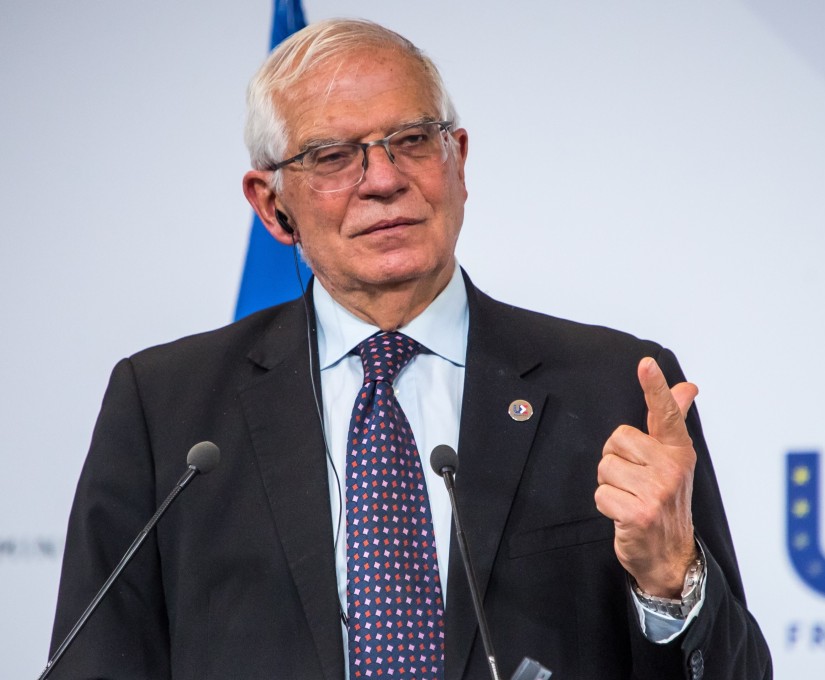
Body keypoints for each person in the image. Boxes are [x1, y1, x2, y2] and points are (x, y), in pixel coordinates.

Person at [49, 18, 771, 680]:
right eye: (332, 156)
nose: (384, 180)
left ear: (457, 159)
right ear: (272, 206)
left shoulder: (613, 388)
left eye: (412, 141)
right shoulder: (167, 407)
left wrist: (673, 580)